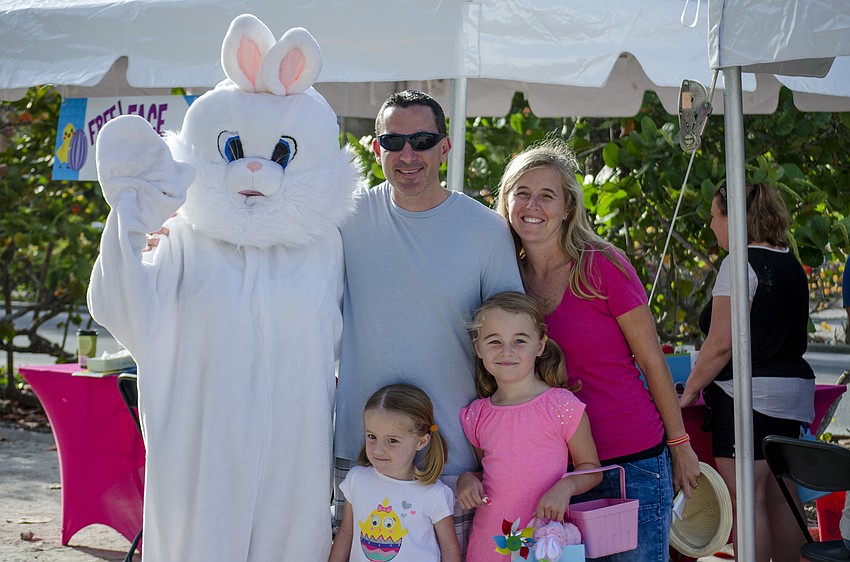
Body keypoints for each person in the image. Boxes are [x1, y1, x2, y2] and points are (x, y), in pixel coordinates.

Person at [333, 90, 524, 552]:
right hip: (363, 454)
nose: (408, 154)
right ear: (375, 148)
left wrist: (500, 452)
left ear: (445, 146)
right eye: (393, 141)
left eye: (422, 139)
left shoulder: (486, 230)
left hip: (450, 462)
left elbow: (512, 349)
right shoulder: (341, 217)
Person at [495, 139, 701, 562]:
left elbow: (651, 360)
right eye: (522, 192)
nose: (533, 205)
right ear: (506, 200)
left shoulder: (602, 264)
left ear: (568, 207)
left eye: (547, 195)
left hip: (629, 463)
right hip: (553, 472)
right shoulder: (503, 273)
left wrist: (680, 444)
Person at [679, 183, 815, 562]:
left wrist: (689, 391)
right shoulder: (788, 260)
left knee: (745, 495)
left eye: (713, 216)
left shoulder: (738, 262)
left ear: (733, 218)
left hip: (748, 396)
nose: (710, 225)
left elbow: (722, 343)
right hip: (793, 393)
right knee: (779, 493)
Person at [456, 291, 602, 559]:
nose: (506, 351)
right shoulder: (476, 415)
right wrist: (467, 480)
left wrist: (565, 487)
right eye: (494, 341)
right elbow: (492, 474)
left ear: (540, 345)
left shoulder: (562, 406)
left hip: (544, 545)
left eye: (519, 340)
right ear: (478, 348)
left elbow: (592, 470)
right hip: (486, 547)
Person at [329, 384, 461, 562]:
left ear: (421, 442)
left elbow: (449, 548)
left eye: (392, 440)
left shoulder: (434, 493)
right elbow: (346, 532)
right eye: (372, 437)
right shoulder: (356, 479)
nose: (378, 450)